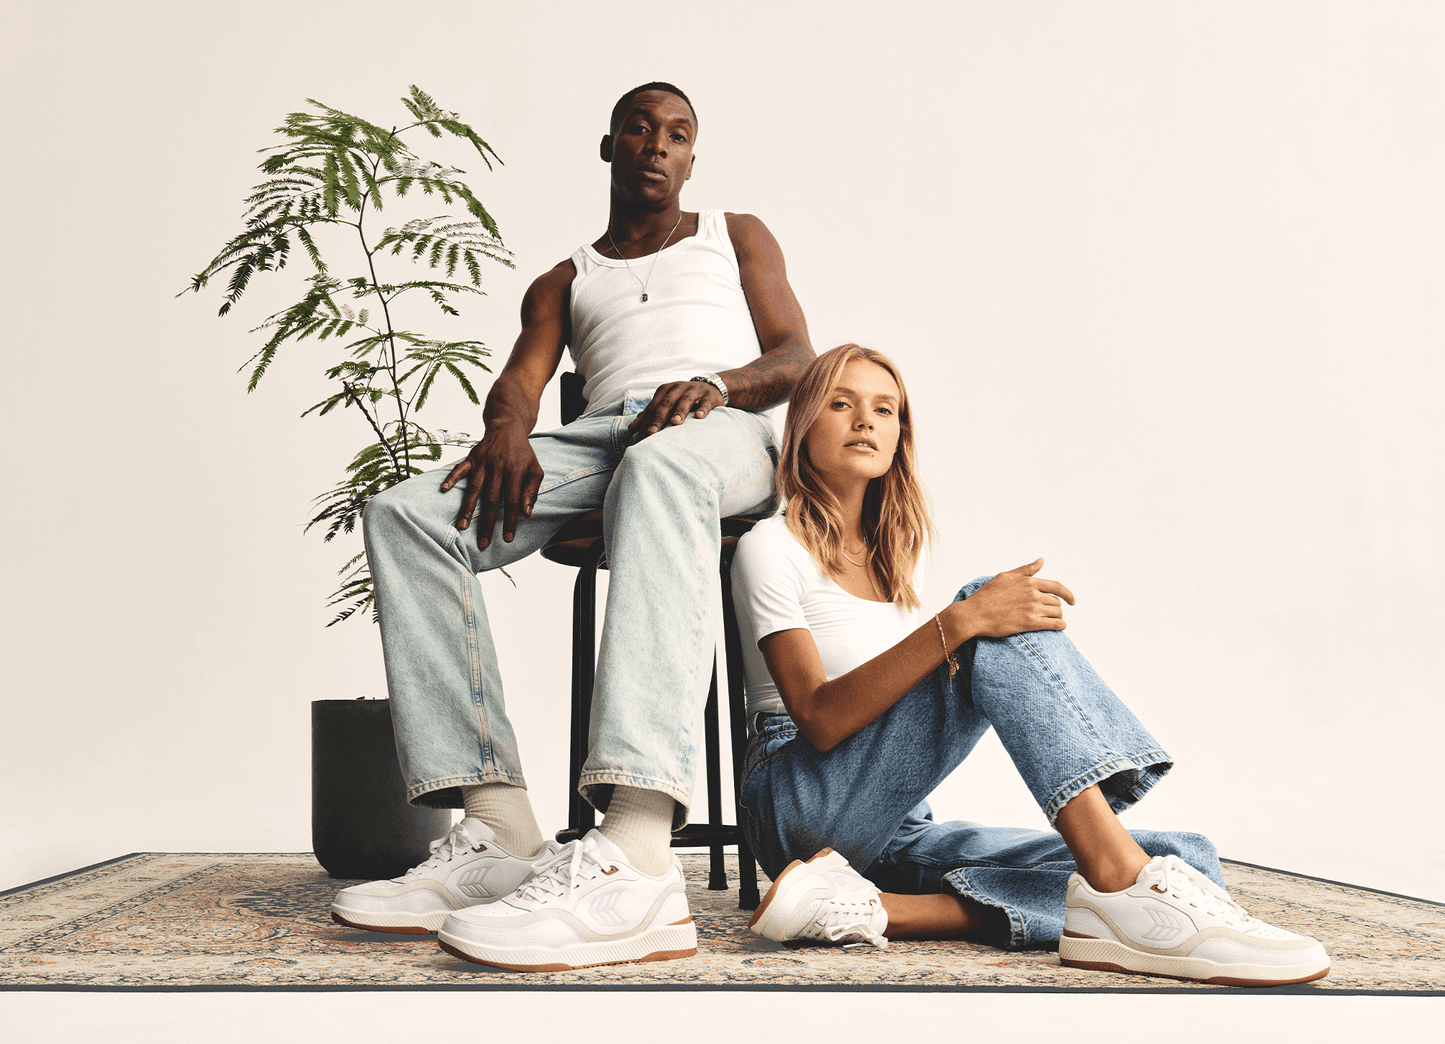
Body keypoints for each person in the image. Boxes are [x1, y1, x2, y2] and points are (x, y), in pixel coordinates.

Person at [328, 82, 814, 971]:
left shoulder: (734, 233)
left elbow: (796, 359)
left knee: (660, 466)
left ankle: (636, 852)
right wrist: (506, 430)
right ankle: (498, 828)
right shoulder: (564, 278)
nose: (657, 144)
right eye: (640, 128)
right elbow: (522, 378)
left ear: (691, 159)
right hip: (600, 437)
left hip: (722, 431)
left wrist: (717, 385)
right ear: (609, 147)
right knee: (405, 516)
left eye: (677, 134)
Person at [729, 344, 1330, 987]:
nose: (864, 421)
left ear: (901, 433)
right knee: (982, 611)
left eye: (885, 409)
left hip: (897, 822)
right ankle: (1118, 883)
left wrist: (964, 622)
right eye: (841, 404)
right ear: (804, 425)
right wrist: (960, 622)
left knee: (1185, 858)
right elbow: (818, 718)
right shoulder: (770, 548)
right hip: (798, 804)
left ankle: (880, 910)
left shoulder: (899, 555)